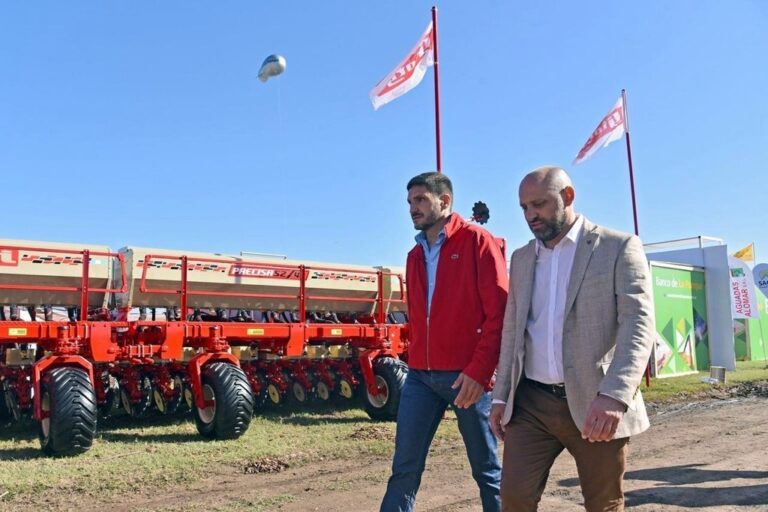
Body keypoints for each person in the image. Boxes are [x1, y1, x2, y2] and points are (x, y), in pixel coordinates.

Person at [490, 166, 654, 512]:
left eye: (539, 204)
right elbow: (512, 331)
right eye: (524, 208)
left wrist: (614, 395)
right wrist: (500, 396)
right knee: (514, 498)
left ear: (567, 196)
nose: (531, 215)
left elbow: (638, 327)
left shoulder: (618, 247)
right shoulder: (521, 258)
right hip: (531, 403)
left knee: (603, 504)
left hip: (595, 401)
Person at [381, 172, 509, 512]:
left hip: (466, 378)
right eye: (410, 202)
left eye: (421, 199)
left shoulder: (478, 242)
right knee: (404, 469)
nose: (413, 208)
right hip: (420, 378)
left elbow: (499, 314)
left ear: (445, 201)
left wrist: (480, 372)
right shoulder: (413, 255)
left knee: (487, 471)